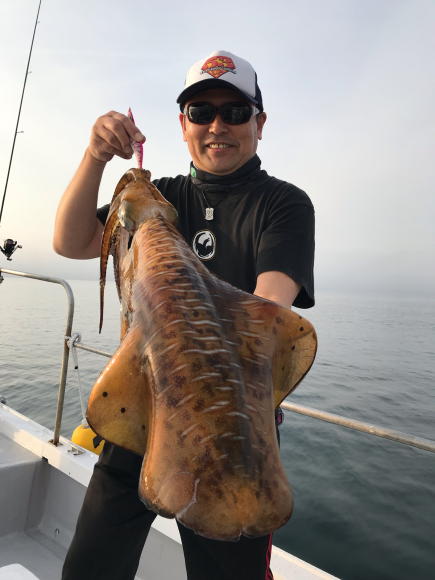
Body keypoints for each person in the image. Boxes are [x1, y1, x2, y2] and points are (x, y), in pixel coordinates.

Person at [53, 50, 315, 580]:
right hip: (136, 414)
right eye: (201, 113)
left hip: (233, 424)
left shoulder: (284, 204)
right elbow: (71, 240)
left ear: (259, 124)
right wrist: (96, 156)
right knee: (90, 567)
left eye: (235, 113)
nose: (217, 126)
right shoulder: (158, 197)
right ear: (183, 125)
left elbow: (266, 312)